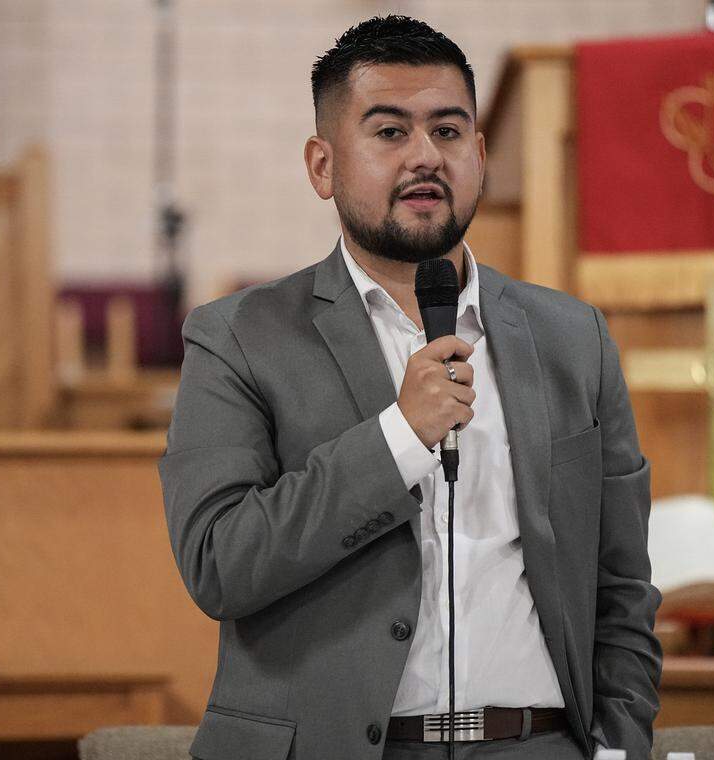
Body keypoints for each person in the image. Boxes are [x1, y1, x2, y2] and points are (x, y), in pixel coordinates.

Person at [159, 15, 661, 760]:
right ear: (323, 166)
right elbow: (219, 562)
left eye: (449, 132)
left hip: (533, 744)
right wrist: (399, 437)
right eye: (390, 132)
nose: (425, 156)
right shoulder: (239, 338)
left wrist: (619, 746)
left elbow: (620, 585)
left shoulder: (571, 339)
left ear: (481, 156)